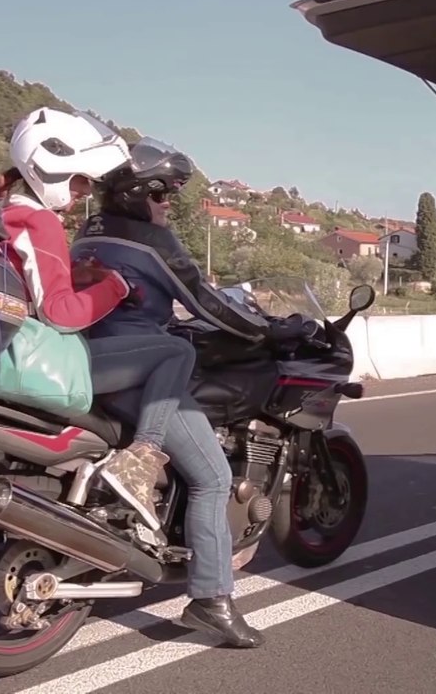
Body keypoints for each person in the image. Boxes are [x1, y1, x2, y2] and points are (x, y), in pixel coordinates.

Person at [70, 137, 271, 648]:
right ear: (141, 193)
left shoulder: (87, 233)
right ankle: (211, 600)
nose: (170, 203)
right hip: (134, 372)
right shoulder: (152, 242)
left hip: (86, 362)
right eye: (165, 194)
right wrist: (265, 331)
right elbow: (206, 303)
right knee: (213, 476)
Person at [0, 108, 195, 531]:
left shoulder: (4, 212)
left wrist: (77, 275)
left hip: (7, 342)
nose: (86, 191)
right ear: (51, 169)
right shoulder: (42, 220)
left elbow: (29, 282)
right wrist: (116, 286)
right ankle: (140, 460)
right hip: (40, 355)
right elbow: (61, 314)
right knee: (176, 349)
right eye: (81, 179)